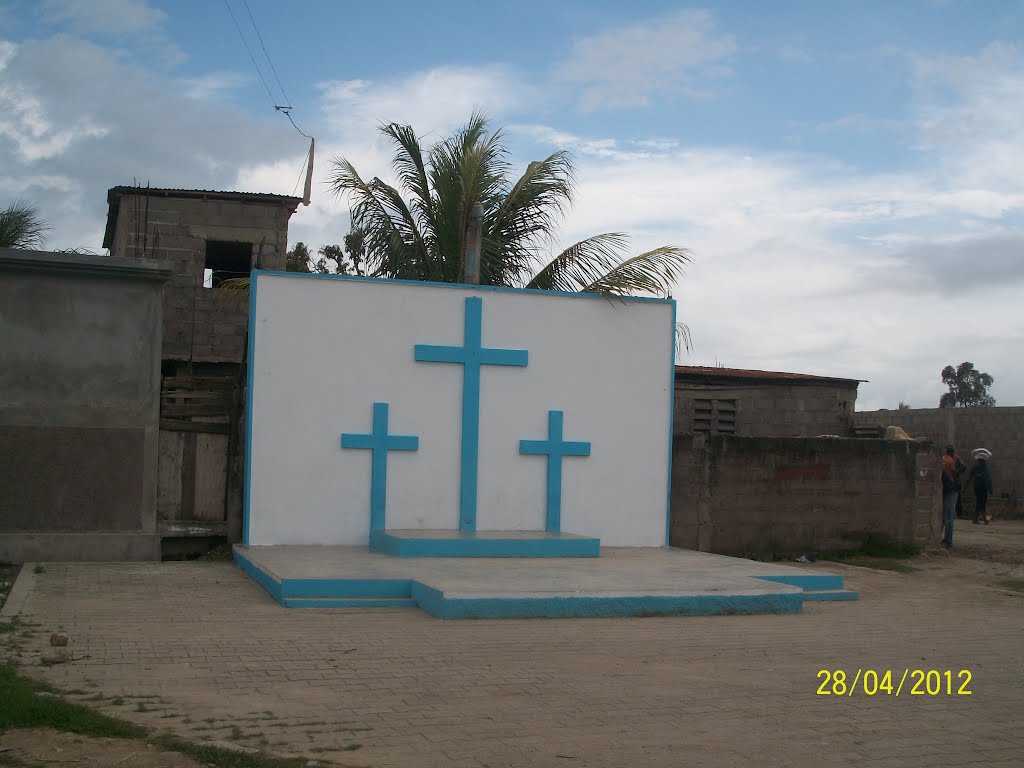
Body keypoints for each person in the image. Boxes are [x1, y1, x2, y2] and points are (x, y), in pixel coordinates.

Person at [940, 445, 961, 548]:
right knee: (948, 517)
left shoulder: (942, 460)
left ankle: (940, 539)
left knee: (942, 517)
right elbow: (954, 475)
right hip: (951, 490)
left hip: (946, 490)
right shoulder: (951, 461)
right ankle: (948, 541)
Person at [969, 456, 994, 525]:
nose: (981, 462)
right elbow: (970, 477)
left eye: (982, 461)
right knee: (980, 503)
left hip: (984, 488)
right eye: (980, 461)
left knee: (981, 503)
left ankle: (978, 519)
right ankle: (983, 519)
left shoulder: (985, 468)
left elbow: (988, 478)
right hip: (978, 488)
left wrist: (990, 489)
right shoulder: (975, 468)